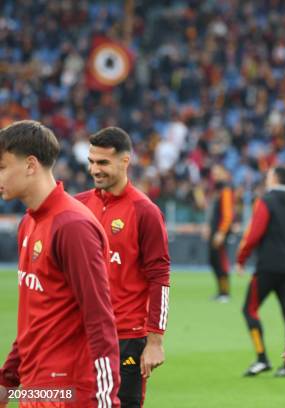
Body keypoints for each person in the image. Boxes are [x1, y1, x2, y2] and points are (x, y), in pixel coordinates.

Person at [0, 120, 120, 407]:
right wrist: (7, 380)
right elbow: (35, 318)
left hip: (72, 392)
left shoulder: (72, 226)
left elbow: (99, 319)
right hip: (36, 389)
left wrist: (107, 401)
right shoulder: (29, 223)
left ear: (30, 165)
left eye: (2, 166)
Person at [75, 127, 171, 407]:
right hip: (81, 334)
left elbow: (160, 278)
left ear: (125, 161)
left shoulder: (146, 211)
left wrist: (155, 341)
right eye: (92, 162)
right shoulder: (78, 206)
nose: (95, 169)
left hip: (126, 338)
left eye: (103, 162)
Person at [236, 166, 285, 377]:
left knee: (249, 310)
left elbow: (254, 234)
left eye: (268, 176)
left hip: (267, 269)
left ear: (275, 179)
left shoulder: (266, 202)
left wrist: (241, 259)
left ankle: (261, 359)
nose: (267, 179)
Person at [206, 164, 234, 302]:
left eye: (217, 173)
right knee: (214, 260)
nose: (214, 176)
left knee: (220, 261)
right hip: (214, 231)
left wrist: (221, 232)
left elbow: (228, 215)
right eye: (213, 174)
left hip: (220, 233)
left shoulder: (226, 190)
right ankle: (220, 291)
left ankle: (225, 293)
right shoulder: (217, 190)